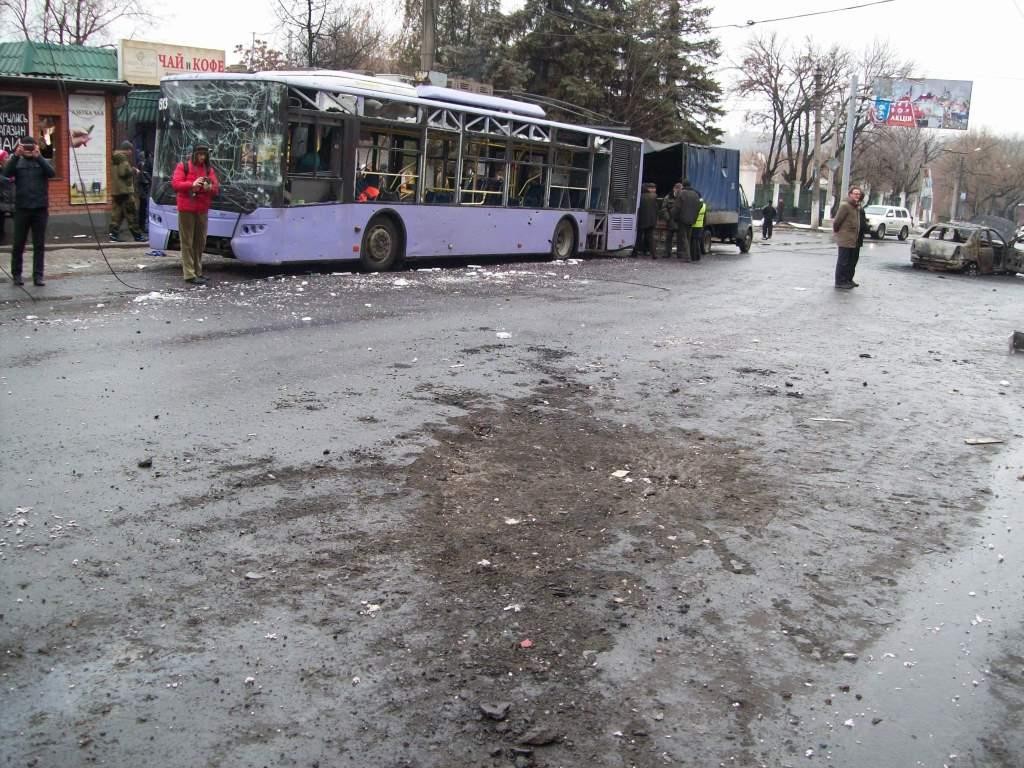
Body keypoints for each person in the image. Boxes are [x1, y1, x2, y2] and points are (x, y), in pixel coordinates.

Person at [3, 135, 55, 286]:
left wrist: (39, 157)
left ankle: (38, 276)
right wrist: (15, 155)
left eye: (30, 147)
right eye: (25, 147)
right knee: (18, 244)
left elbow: (51, 173)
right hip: (22, 209)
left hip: (40, 209)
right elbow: (6, 174)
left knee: (39, 245)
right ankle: (17, 275)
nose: (28, 150)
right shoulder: (17, 162)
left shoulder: (42, 161)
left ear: (36, 147)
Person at [171, 142, 220, 285]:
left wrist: (209, 187)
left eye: (204, 155)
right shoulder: (183, 166)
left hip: (202, 208)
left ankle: (198, 271)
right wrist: (192, 184)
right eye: (200, 154)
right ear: (194, 154)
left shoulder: (208, 169)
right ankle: (189, 273)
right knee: (187, 241)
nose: (202, 157)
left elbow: (216, 188)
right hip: (186, 208)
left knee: (200, 242)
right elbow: (176, 184)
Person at [109, 141, 145, 242]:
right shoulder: (123, 158)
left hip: (116, 191)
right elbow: (123, 172)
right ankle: (138, 236)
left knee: (117, 214)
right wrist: (134, 170)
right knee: (131, 213)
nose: (131, 152)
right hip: (125, 191)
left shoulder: (115, 157)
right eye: (130, 150)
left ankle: (113, 235)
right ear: (127, 150)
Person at [832, 185, 863, 289]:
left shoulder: (856, 206)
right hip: (845, 238)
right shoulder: (845, 206)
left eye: (858, 194)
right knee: (843, 262)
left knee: (849, 262)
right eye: (855, 194)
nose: (857, 196)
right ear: (850, 194)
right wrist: (839, 233)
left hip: (853, 239)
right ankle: (839, 282)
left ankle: (846, 280)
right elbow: (837, 221)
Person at [671, 179, 700, 260]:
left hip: (683, 219)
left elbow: (677, 207)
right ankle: (689, 255)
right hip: (692, 220)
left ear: (683, 185)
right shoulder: (695, 194)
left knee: (684, 238)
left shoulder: (682, 194)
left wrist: (673, 216)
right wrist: (695, 218)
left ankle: (688, 257)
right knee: (688, 237)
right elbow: (698, 207)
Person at [632, 183, 658, 257]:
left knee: (639, 237)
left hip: (642, 220)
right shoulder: (654, 196)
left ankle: (635, 253)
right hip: (651, 220)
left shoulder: (640, 197)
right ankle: (654, 254)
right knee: (651, 238)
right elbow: (656, 209)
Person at [660, 181, 682, 258]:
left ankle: (679, 253)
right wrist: (668, 218)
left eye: (680, 189)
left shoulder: (682, 197)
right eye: (678, 189)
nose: (679, 191)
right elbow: (664, 208)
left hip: (680, 221)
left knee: (680, 238)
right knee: (668, 237)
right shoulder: (668, 197)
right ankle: (667, 253)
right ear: (674, 189)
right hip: (671, 220)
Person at [690, 196, 708, 261]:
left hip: (694, 225)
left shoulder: (695, 206)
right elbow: (705, 217)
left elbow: (693, 215)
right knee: (697, 241)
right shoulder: (704, 206)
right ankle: (698, 256)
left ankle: (693, 256)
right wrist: (703, 225)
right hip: (700, 226)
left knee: (693, 242)